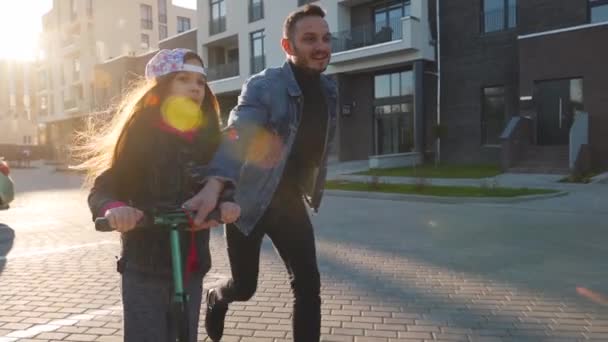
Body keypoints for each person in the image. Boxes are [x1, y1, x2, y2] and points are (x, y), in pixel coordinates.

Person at [183, 5, 336, 342]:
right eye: (309, 39)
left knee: (308, 285)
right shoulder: (264, 86)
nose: (320, 46)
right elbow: (238, 133)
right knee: (245, 286)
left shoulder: (329, 90)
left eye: (325, 38)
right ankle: (216, 297)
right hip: (248, 202)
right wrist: (215, 184)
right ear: (288, 47)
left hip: (290, 204)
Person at [78, 48, 241, 341]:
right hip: (144, 264)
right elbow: (105, 186)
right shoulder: (142, 134)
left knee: (185, 334)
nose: (194, 87)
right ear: (162, 86)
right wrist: (115, 209)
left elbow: (221, 181)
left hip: (190, 263)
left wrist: (227, 202)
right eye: (183, 79)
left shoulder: (209, 139)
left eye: (200, 82)